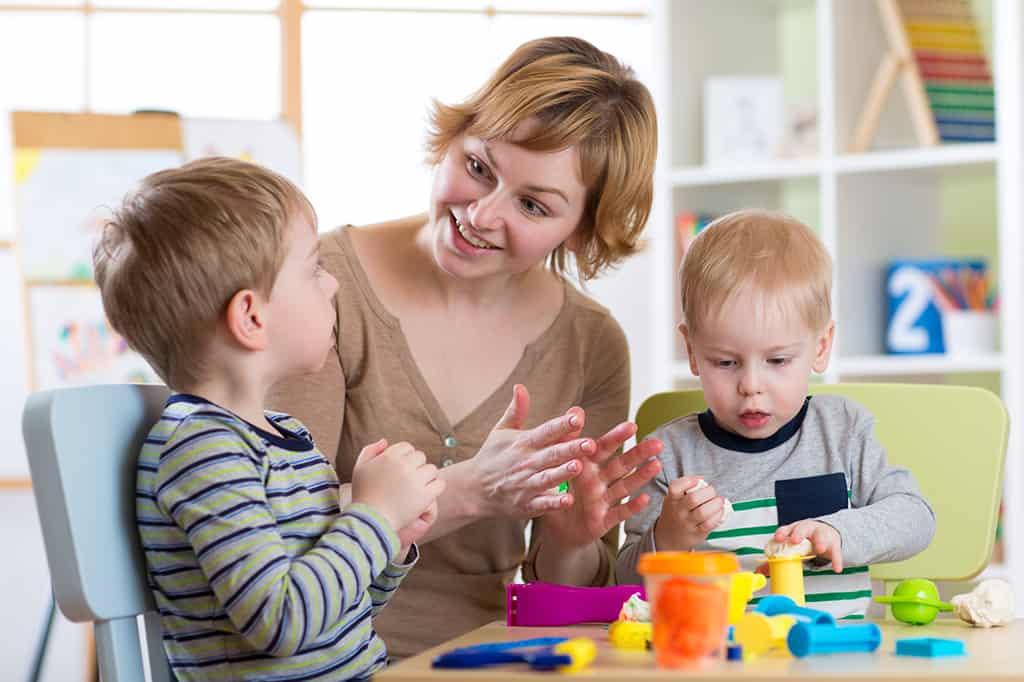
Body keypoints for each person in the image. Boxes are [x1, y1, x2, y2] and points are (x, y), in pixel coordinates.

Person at [268, 35, 664, 656]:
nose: (481, 215)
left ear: (583, 228)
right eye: (479, 167)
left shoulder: (591, 342)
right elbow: (276, 524)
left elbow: (570, 600)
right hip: (322, 658)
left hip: (496, 658)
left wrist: (570, 539)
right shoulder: (322, 287)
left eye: (532, 205)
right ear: (455, 135)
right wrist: (474, 488)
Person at [94, 157, 445, 680]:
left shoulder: (286, 437)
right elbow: (282, 624)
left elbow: (337, 619)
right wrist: (372, 515)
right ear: (251, 318)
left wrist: (391, 540)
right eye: (314, 270)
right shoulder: (202, 452)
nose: (333, 285)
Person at [617, 209, 936, 619]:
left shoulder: (843, 431)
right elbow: (625, 585)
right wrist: (669, 537)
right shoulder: (669, 455)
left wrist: (839, 531)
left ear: (821, 347)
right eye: (725, 362)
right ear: (692, 351)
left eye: (778, 360)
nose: (751, 385)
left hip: (835, 648)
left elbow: (916, 517)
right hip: (718, 649)